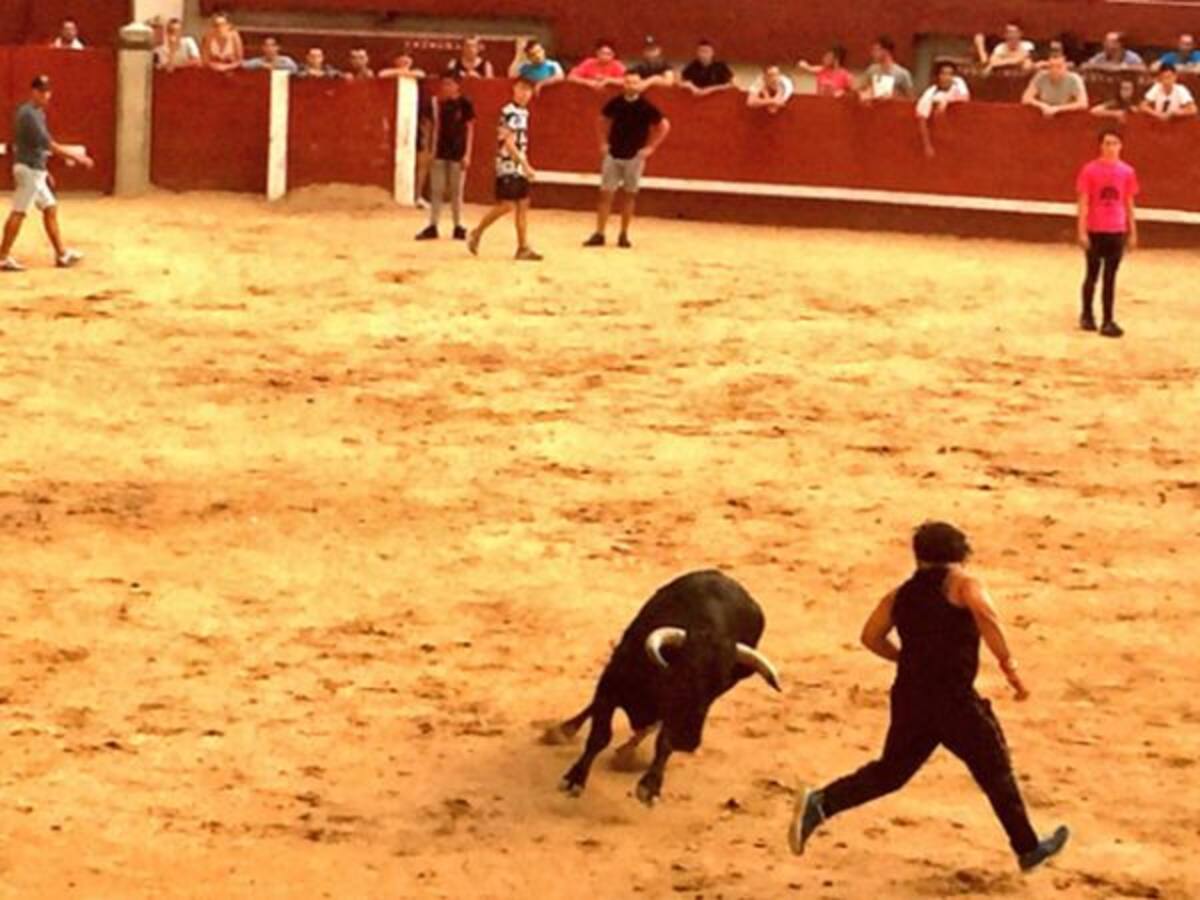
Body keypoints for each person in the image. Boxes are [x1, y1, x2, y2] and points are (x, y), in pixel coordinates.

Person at [788, 522, 1071, 873]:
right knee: (995, 769)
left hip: (911, 696)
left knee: (891, 772)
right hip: (954, 701)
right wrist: (1010, 668)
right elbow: (986, 615)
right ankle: (1028, 848)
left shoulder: (900, 594)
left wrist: (905, 658)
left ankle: (822, 803)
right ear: (959, 556)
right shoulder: (962, 584)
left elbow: (870, 636)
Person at [1, 76, 94, 272]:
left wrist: (45, 170)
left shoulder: (36, 113)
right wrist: (78, 158)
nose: (46, 95)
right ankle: (3, 256)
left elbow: (38, 146)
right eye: (42, 91)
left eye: (48, 91)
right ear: (33, 92)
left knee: (50, 208)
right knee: (19, 211)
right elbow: (48, 144)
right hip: (29, 170)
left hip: (35, 169)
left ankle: (61, 254)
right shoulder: (28, 115)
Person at [583, 72, 671, 249]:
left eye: (635, 83)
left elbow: (664, 125)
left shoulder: (645, 106)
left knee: (629, 196)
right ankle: (600, 233)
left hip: (634, 156)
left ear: (639, 85)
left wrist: (650, 148)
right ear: (624, 84)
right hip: (614, 153)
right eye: (628, 82)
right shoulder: (616, 102)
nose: (631, 85)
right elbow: (601, 120)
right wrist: (603, 143)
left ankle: (623, 234)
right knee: (606, 195)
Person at [467, 79, 541, 261]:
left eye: (528, 90)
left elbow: (519, 142)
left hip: (518, 163)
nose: (525, 94)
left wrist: (524, 163)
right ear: (514, 90)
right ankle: (477, 232)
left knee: (523, 205)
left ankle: (523, 247)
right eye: (522, 89)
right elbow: (508, 142)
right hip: (508, 164)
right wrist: (525, 165)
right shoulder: (508, 112)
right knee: (507, 205)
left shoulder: (523, 112)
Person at [1076, 127, 1138, 337]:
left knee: (1110, 277)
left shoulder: (1127, 172)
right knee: (1092, 274)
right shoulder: (1089, 170)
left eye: (1114, 143)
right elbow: (1083, 202)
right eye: (1107, 143)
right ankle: (1086, 315)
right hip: (1095, 228)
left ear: (1121, 146)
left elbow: (1129, 203)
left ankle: (1108, 320)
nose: (1111, 148)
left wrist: (1132, 231)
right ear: (1100, 146)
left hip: (1116, 229)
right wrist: (1082, 231)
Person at [416, 75, 475, 242]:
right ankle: (433, 225)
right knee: (437, 191)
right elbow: (428, 127)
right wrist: (429, 150)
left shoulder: (464, 104)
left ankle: (458, 225)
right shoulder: (436, 104)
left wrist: (467, 154)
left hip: (458, 153)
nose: (446, 87)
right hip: (439, 152)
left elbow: (470, 130)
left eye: (450, 84)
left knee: (457, 193)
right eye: (444, 84)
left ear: (457, 86)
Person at [916, 61, 970, 158]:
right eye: (943, 74)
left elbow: (965, 97)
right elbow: (922, 120)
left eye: (950, 74)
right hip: (940, 139)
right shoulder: (930, 94)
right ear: (938, 77)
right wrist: (927, 146)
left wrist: (946, 100)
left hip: (960, 139)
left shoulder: (958, 82)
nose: (947, 77)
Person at [1022, 52, 1089, 117]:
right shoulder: (1041, 76)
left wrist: (1057, 109)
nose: (1054, 70)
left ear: (1066, 67)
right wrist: (1042, 106)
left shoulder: (1074, 79)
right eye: (1051, 66)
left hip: (1066, 116)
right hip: (1044, 115)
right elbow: (1026, 98)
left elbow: (1083, 103)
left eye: (1059, 66)